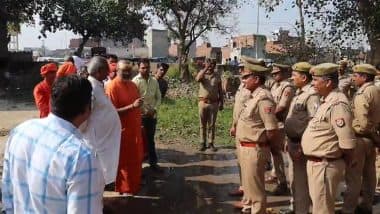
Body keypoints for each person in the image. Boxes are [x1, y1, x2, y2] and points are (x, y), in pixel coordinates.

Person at [2, 75, 104, 213]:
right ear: (87, 109)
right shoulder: (81, 157)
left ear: (51, 102)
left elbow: (7, 191)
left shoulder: (20, 131)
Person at [302, 63, 356, 214]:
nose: (312, 83)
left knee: (323, 209)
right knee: (320, 206)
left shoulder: (337, 103)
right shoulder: (327, 100)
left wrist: (341, 163)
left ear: (328, 82)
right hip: (318, 164)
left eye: (315, 80)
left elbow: (346, 143)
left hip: (325, 165)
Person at [236, 63, 279, 213]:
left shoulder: (263, 98)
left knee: (256, 192)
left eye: (246, 77)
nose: (243, 80)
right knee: (250, 187)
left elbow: (271, 129)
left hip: (254, 148)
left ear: (256, 78)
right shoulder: (253, 95)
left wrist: (262, 145)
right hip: (246, 147)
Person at [280, 62, 319, 214]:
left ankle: (302, 210)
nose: (292, 78)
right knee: (295, 181)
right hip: (293, 143)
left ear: (303, 77)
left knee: (302, 184)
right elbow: (292, 119)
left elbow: (313, 123)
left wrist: (303, 146)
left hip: (301, 146)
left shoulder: (311, 95)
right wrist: (287, 139)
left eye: (294, 75)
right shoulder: (300, 93)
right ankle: (296, 208)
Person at [342, 64, 380, 214]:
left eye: (356, 75)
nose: (353, 78)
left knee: (353, 176)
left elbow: (363, 124)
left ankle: (348, 209)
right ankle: (366, 206)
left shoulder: (362, 94)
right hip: (372, 138)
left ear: (364, 77)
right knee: (370, 175)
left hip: (360, 138)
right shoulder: (376, 90)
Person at [79, 56, 121, 186]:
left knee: (102, 171)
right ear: (98, 71)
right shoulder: (90, 86)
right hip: (96, 139)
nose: (108, 73)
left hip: (103, 138)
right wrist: (84, 133)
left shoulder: (98, 85)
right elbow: (85, 114)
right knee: (96, 171)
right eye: (105, 71)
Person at [106, 60, 144, 195]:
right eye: (124, 71)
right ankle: (124, 190)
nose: (127, 74)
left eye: (129, 71)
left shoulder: (133, 85)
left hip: (135, 130)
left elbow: (137, 106)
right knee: (124, 163)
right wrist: (132, 106)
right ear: (117, 70)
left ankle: (134, 187)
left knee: (137, 160)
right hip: (122, 132)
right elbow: (111, 112)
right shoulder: (112, 87)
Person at [229, 63, 255, 208]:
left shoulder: (253, 91)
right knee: (241, 161)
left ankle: (250, 196)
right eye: (240, 70)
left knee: (248, 165)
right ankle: (244, 188)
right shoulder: (241, 87)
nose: (240, 72)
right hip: (239, 128)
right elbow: (238, 109)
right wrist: (234, 125)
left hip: (247, 130)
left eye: (244, 71)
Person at [267, 63, 294, 195]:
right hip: (274, 123)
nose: (274, 75)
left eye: (276, 73)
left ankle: (284, 183)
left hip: (281, 123)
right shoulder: (274, 85)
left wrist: (268, 117)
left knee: (283, 153)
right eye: (273, 74)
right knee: (275, 153)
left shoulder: (287, 87)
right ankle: (279, 177)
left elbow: (281, 107)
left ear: (283, 73)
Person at [132, 58, 162, 171]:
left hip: (152, 116)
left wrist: (154, 109)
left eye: (147, 67)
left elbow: (158, 97)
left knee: (150, 139)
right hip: (140, 117)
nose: (145, 69)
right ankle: (138, 167)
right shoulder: (135, 81)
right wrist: (145, 111)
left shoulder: (154, 81)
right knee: (139, 141)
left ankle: (153, 163)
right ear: (139, 68)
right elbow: (135, 100)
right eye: (143, 67)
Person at [195, 58, 224, 152]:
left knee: (212, 124)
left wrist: (221, 102)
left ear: (215, 65)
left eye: (212, 64)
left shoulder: (217, 76)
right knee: (202, 124)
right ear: (206, 64)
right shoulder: (202, 73)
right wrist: (205, 68)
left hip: (214, 103)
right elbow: (197, 79)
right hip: (202, 102)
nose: (211, 66)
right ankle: (202, 142)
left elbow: (220, 90)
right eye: (209, 64)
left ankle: (211, 143)